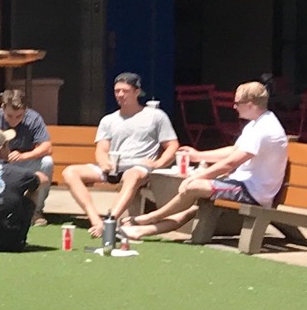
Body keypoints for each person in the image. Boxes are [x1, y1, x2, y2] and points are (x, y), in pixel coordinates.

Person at [122, 81, 289, 241]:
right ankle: (142, 230)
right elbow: (233, 151)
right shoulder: (256, 124)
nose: (234, 106)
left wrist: (200, 177)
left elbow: (232, 162)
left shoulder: (265, 129)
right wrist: (198, 155)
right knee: (197, 206)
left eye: (237, 103)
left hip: (253, 192)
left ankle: (149, 218)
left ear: (251, 104)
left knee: (193, 186)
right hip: (245, 184)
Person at [63, 72, 177, 238]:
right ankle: (95, 219)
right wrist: (103, 162)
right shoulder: (109, 120)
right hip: (113, 166)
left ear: (137, 92)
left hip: (139, 167)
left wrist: (158, 163)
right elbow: (102, 148)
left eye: (125, 91)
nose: (120, 95)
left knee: (133, 174)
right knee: (70, 172)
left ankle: (110, 220)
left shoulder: (156, 116)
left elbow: (172, 145)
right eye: (117, 91)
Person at [0, 87, 53, 221]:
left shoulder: (34, 119)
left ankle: (36, 212)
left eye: (19, 116)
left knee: (47, 162)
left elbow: (47, 147)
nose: (14, 120)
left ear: (25, 110)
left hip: (23, 162)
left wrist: (24, 156)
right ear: (3, 107)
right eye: (9, 116)